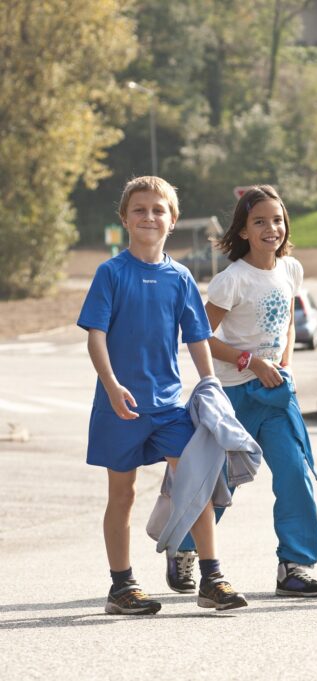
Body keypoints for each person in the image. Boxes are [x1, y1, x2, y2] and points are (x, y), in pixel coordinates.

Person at [79, 176, 247, 614]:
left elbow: (197, 337)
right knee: (123, 496)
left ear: (172, 220)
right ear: (125, 219)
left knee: (200, 484)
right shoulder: (111, 273)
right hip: (120, 408)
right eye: (140, 209)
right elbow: (95, 337)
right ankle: (122, 586)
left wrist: (210, 385)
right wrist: (113, 386)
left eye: (158, 210)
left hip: (170, 408)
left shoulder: (181, 277)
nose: (149, 216)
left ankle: (212, 578)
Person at [199, 184, 317, 598]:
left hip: (276, 395)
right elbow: (201, 336)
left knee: (295, 473)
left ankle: (295, 565)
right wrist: (251, 362)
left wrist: (284, 365)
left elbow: (288, 324)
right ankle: (186, 551)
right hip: (234, 394)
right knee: (218, 482)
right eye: (259, 221)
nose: (271, 228)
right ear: (243, 231)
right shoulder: (231, 280)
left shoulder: (291, 270)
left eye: (277, 220)